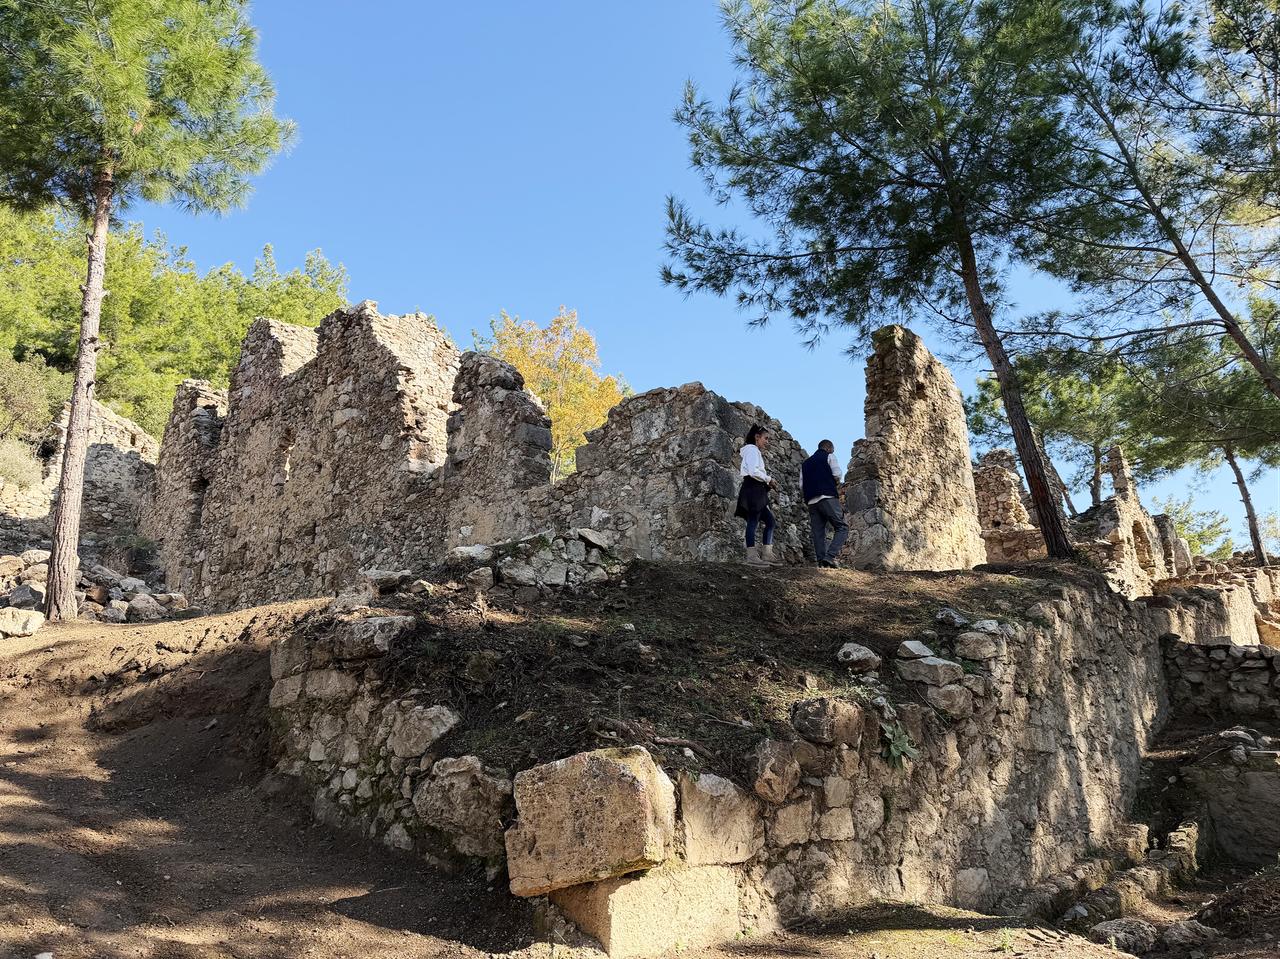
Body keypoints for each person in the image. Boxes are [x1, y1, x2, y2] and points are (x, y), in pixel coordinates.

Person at [800, 439, 849, 568]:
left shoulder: (805, 464)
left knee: (818, 533)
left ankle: (821, 562)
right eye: (832, 450)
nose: (832, 452)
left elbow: (801, 485)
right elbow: (837, 474)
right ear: (828, 448)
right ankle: (830, 557)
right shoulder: (829, 456)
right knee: (842, 527)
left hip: (811, 501)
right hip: (827, 496)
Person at [735, 423, 778, 566]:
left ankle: (767, 554)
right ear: (757, 437)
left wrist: (767, 481)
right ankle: (751, 556)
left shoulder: (753, 451)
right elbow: (753, 471)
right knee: (753, 521)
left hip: (757, 489)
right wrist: (769, 479)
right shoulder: (752, 450)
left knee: (770, 521)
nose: (767, 441)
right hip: (753, 488)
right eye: (766, 438)